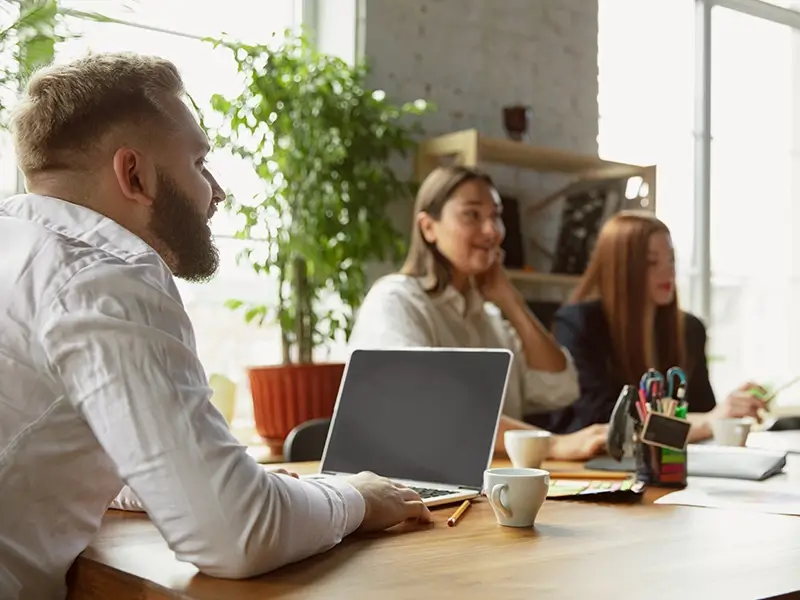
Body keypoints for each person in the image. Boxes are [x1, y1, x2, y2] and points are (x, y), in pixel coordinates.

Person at [0, 52, 431, 600]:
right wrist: (355, 497)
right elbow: (236, 535)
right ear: (134, 173)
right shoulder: (105, 278)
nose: (218, 192)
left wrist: (207, 479)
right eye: (200, 163)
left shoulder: (18, 248)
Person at [349, 165, 608, 461]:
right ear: (428, 227)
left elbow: (560, 388)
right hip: (408, 485)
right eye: (472, 215)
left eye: (496, 216)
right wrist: (551, 445)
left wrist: (512, 303)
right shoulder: (396, 301)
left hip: (488, 488)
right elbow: (426, 409)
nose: (492, 231)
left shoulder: (489, 317)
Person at [545, 210, 766, 440]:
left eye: (671, 259)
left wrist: (727, 413)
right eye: (651, 262)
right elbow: (603, 421)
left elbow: (701, 410)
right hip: (592, 465)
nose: (667, 270)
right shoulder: (578, 324)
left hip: (673, 463)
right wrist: (709, 421)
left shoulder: (690, 329)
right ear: (620, 268)